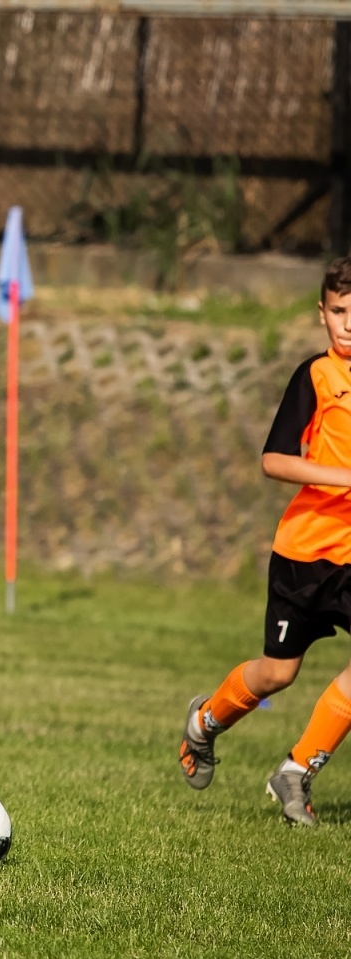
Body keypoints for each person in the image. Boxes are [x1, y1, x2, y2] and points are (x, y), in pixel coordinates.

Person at [180, 256, 351, 826]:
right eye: (340, 312)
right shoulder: (317, 376)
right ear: (321, 315)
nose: (349, 324)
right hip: (304, 554)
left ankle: (297, 771)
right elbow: (274, 460)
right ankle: (204, 722)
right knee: (279, 674)